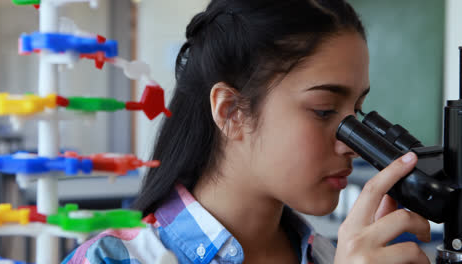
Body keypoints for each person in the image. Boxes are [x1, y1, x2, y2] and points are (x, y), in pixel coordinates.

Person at [63, 0, 431, 263]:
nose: (353, 146)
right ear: (231, 111)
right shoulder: (111, 259)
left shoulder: (329, 256)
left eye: (358, 113)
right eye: (323, 110)